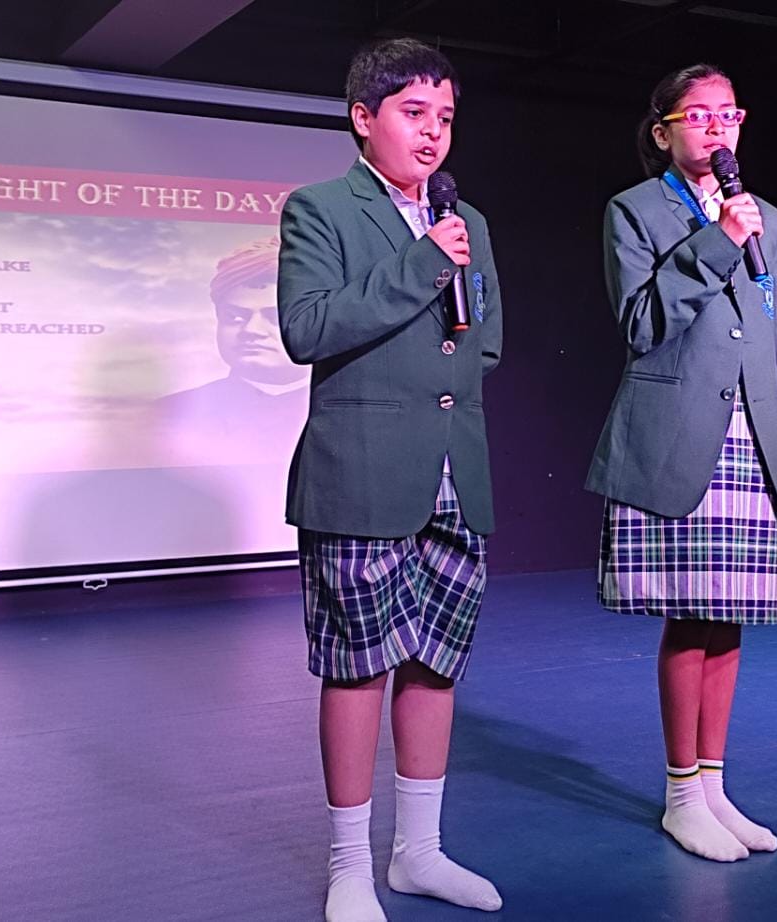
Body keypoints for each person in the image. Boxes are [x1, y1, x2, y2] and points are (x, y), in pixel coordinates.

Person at [277, 38, 504, 921]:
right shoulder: (321, 209)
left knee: (435, 665)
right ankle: (349, 867)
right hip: (360, 469)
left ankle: (419, 854)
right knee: (357, 669)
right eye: (414, 113)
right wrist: (423, 263)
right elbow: (307, 328)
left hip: (453, 468)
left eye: (445, 116)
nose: (433, 132)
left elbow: (485, 340)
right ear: (364, 119)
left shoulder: (467, 219)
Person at [585, 63, 777, 862]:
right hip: (679, 434)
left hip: (751, 434)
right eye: (700, 115)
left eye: (729, 114)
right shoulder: (635, 210)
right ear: (662, 130)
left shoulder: (768, 218)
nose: (717, 128)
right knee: (690, 613)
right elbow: (642, 322)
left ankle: (714, 789)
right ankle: (681, 795)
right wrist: (719, 240)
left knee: (731, 616)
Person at [156, 237, 308, 465]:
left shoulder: (348, 412)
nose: (252, 330)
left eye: (274, 317)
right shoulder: (162, 415)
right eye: (235, 317)